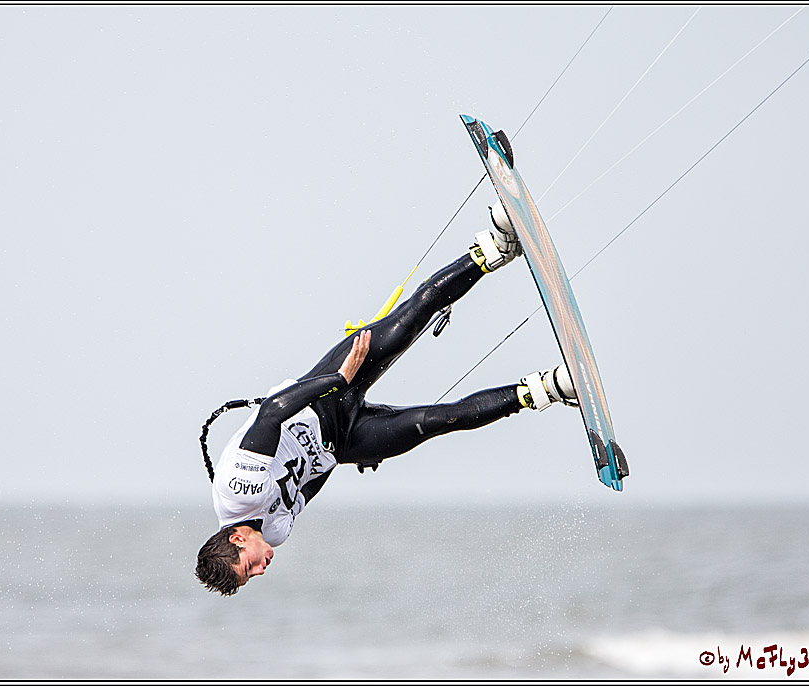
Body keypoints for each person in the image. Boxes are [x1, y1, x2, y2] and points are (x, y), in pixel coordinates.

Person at [195, 205, 578, 596]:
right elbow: (307, 485)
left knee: (407, 323)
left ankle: (491, 249)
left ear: (238, 541)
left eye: (248, 569)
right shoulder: (274, 534)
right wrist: (345, 456)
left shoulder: (237, 491)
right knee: (436, 422)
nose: (260, 571)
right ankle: (548, 388)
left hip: (320, 398)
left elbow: (272, 412)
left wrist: (337, 379)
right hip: (341, 441)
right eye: (252, 576)